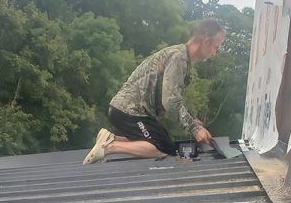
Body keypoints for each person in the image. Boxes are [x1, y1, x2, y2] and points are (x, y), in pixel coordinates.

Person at [82, 19, 226, 163]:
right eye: (216, 47)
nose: (215, 53)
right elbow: (170, 102)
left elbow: (170, 98)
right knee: (164, 149)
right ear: (206, 42)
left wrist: (190, 120)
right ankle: (109, 147)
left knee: (166, 144)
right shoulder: (179, 58)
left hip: (128, 111)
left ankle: (111, 138)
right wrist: (194, 128)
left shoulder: (181, 56)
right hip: (130, 111)